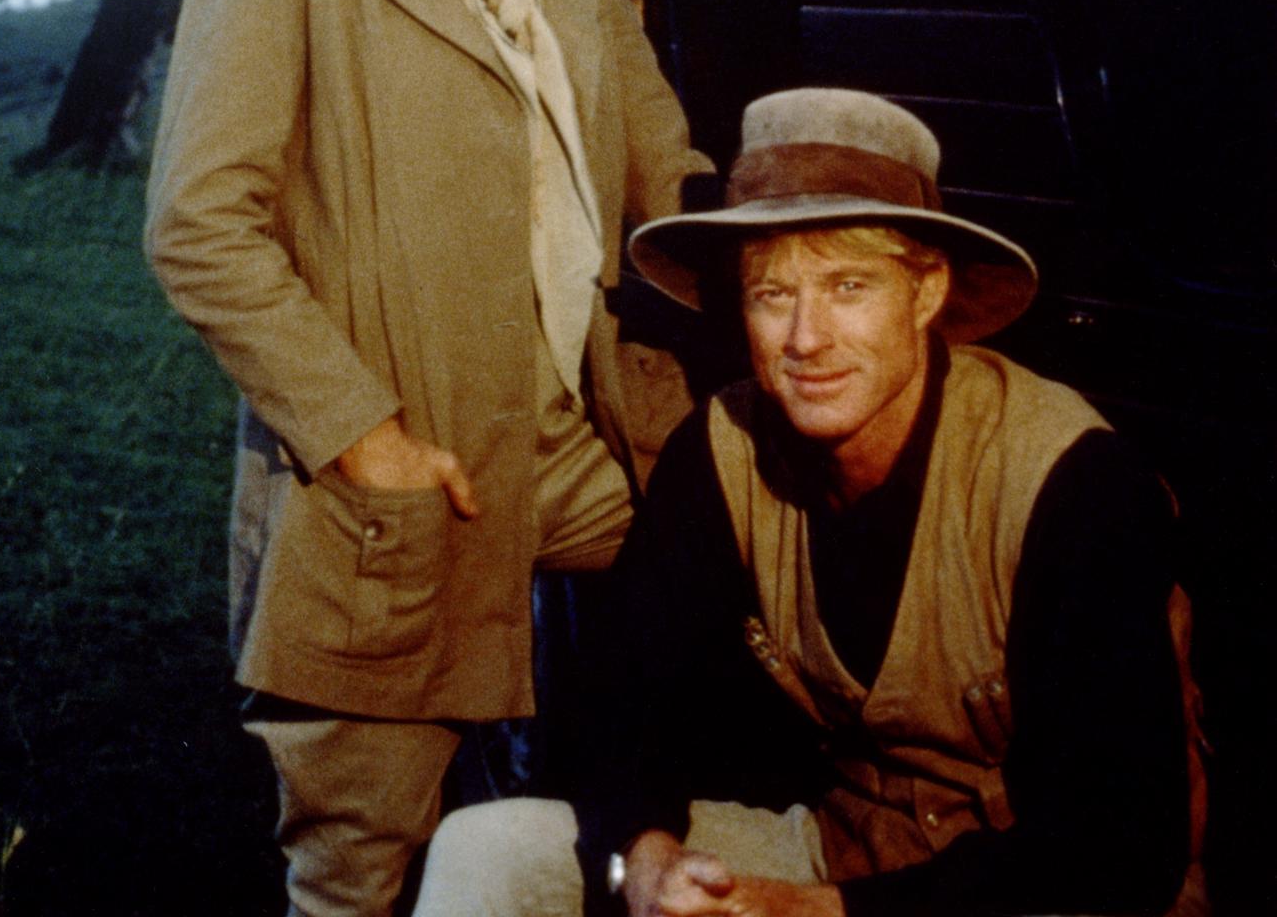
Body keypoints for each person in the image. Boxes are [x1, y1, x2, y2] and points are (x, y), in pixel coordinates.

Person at [144, 0, 711, 917]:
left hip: (581, 444)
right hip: (404, 462)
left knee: (697, 708)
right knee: (356, 855)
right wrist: (358, 433)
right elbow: (199, 228)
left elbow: (663, 168)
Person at [414, 87, 1206, 917]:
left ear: (926, 293)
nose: (805, 339)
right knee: (490, 851)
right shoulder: (724, 448)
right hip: (845, 853)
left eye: (849, 286)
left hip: (1044, 890)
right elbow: (624, 698)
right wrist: (645, 860)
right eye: (771, 294)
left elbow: (1118, 845)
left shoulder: (1069, 481)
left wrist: (820, 912)